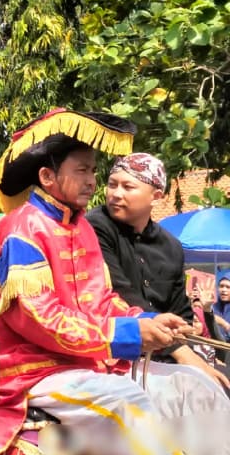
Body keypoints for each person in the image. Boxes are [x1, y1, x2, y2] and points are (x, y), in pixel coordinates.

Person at [0, 108, 230, 455]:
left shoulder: (80, 227)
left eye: (95, 171)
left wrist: (146, 323)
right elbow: (40, 319)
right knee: (134, 405)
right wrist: (127, 334)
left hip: (84, 364)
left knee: (198, 386)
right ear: (48, 177)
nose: (94, 181)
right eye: (84, 171)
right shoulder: (21, 231)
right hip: (34, 373)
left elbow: (101, 302)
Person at [87, 153, 222, 381]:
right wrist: (182, 353)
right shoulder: (94, 226)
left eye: (128, 187)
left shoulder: (171, 246)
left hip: (165, 357)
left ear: (156, 196)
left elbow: (182, 312)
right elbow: (119, 294)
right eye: (112, 185)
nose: (116, 194)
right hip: (115, 355)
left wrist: (183, 332)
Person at [213, 272, 230, 344]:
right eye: (221, 286)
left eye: (228, 287)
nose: (223, 290)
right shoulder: (213, 306)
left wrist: (225, 324)